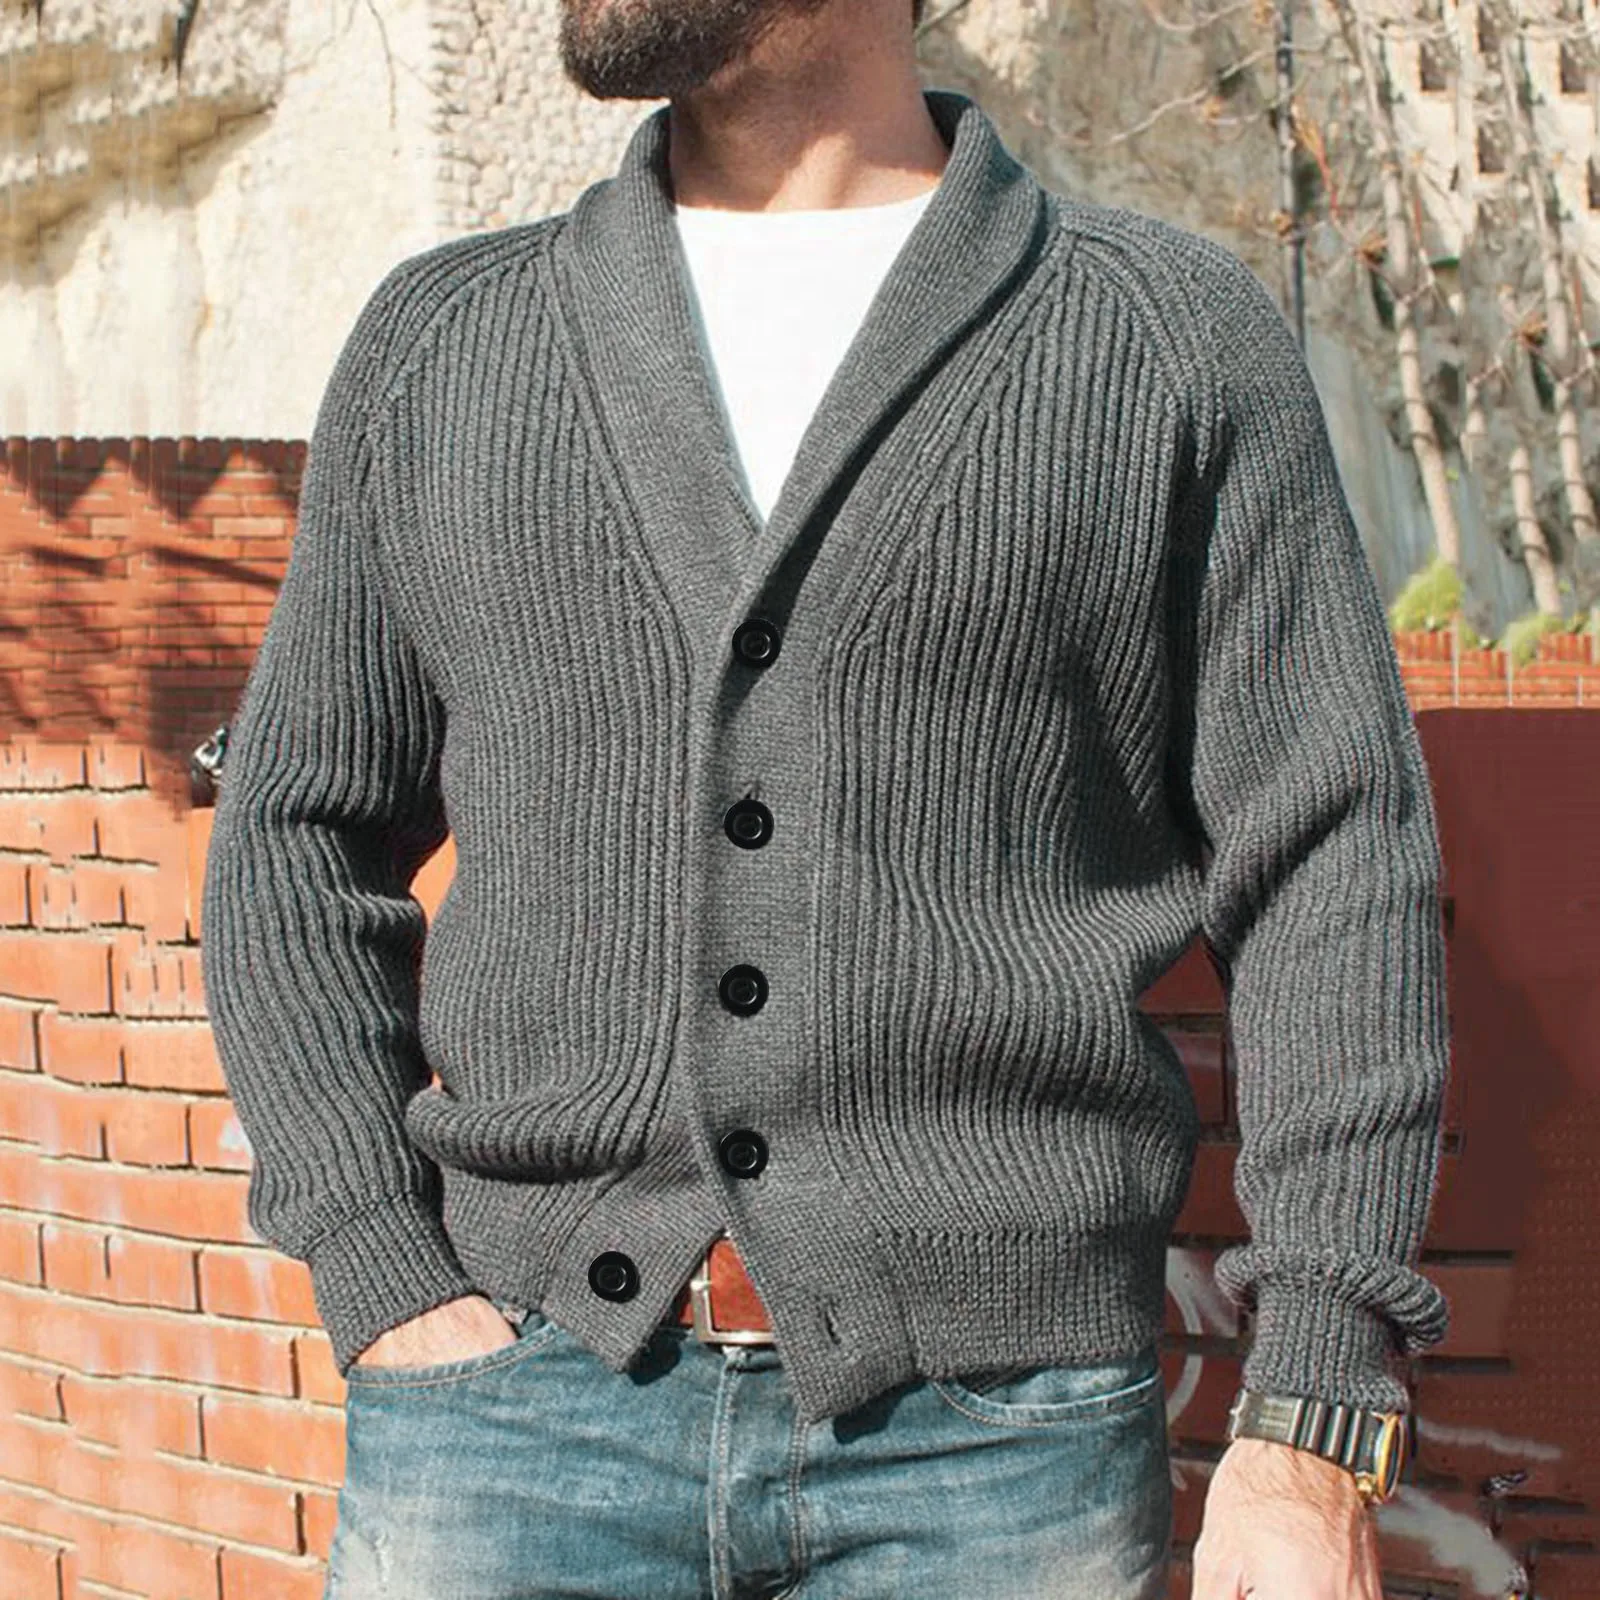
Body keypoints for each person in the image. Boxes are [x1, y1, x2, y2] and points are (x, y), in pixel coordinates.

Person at [198, 0, 1453, 1592]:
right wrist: (382, 1272)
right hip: (511, 1420)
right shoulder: (448, 341)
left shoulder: (1161, 339)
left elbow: (1337, 863)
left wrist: (1314, 1418)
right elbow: (296, 829)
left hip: (1003, 1457)